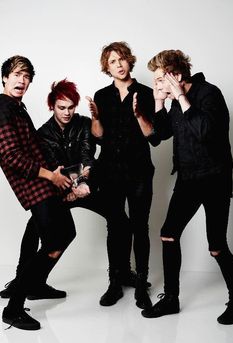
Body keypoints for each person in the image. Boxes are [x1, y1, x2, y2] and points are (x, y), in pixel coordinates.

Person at [0, 79, 138, 300]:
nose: (66, 112)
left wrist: (83, 183)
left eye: (71, 107)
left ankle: (119, 275)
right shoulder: (42, 133)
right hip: (59, 190)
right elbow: (51, 165)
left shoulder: (83, 124)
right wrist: (69, 188)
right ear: (52, 106)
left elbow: (87, 155)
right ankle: (22, 281)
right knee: (35, 227)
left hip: (86, 186)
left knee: (120, 218)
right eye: (61, 107)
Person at [141, 49, 233, 325]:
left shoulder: (209, 94)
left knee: (216, 246)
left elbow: (205, 132)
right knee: (169, 234)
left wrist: (180, 98)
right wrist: (159, 102)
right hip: (188, 180)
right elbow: (160, 135)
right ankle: (171, 299)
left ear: (177, 76)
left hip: (215, 179)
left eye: (160, 80)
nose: (156, 86)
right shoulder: (171, 100)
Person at [0, 56, 76, 330]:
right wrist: (49, 175)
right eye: (17, 74)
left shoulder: (16, 108)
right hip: (33, 185)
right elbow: (9, 156)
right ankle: (14, 307)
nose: (22, 80)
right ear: (5, 77)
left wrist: (57, 173)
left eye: (27, 76)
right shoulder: (3, 108)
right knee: (56, 239)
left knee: (66, 232)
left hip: (44, 182)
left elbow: (32, 148)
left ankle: (36, 284)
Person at [86, 42, 160, 309]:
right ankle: (115, 282)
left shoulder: (147, 94)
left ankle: (141, 284)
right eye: (112, 61)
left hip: (139, 172)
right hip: (109, 172)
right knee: (115, 227)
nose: (118, 65)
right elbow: (98, 137)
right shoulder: (102, 95)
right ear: (107, 67)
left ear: (130, 61)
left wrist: (140, 115)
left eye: (121, 59)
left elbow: (153, 138)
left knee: (140, 226)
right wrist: (94, 117)